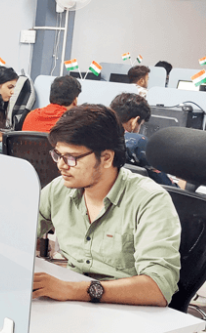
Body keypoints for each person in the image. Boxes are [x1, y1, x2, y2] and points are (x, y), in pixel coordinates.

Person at [34, 104, 181, 307]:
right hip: (74, 303)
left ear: (106, 158)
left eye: (71, 158)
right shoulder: (60, 189)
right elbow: (17, 234)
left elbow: (158, 288)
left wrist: (74, 290)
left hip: (126, 309)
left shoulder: (149, 200)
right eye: (58, 155)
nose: (60, 165)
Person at [109, 93, 177, 187]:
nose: (139, 129)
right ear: (134, 121)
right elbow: (166, 185)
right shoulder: (138, 142)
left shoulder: (98, 134)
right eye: (140, 125)